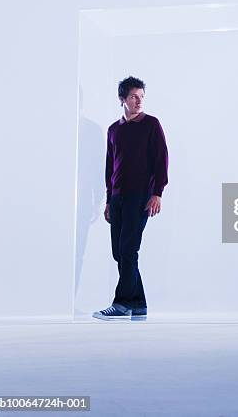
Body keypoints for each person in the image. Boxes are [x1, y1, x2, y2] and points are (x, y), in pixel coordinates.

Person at [93, 76, 168, 321]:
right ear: (122, 99)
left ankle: (122, 303)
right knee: (120, 252)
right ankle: (139, 303)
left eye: (141, 97)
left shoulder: (151, 125)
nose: (139, 101)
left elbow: (161, 160)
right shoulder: (114, 130)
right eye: (134, 97)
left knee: (128, 249)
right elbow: (109, 166)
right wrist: (107, 200)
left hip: (141, 196)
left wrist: (157, 192)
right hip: (116, 198)